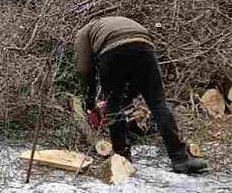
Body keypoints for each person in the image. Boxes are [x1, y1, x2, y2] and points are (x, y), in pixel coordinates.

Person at [74, 16, 208, 175]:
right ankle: (180, 159)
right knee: (158, 104)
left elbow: (84, 70)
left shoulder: (83, 32)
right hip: (144, 48)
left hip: (113, 50)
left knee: (114, 106)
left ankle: (122, 158)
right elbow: (135, 64)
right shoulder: (119, 21)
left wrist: (89, 101)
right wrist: (130, 94)